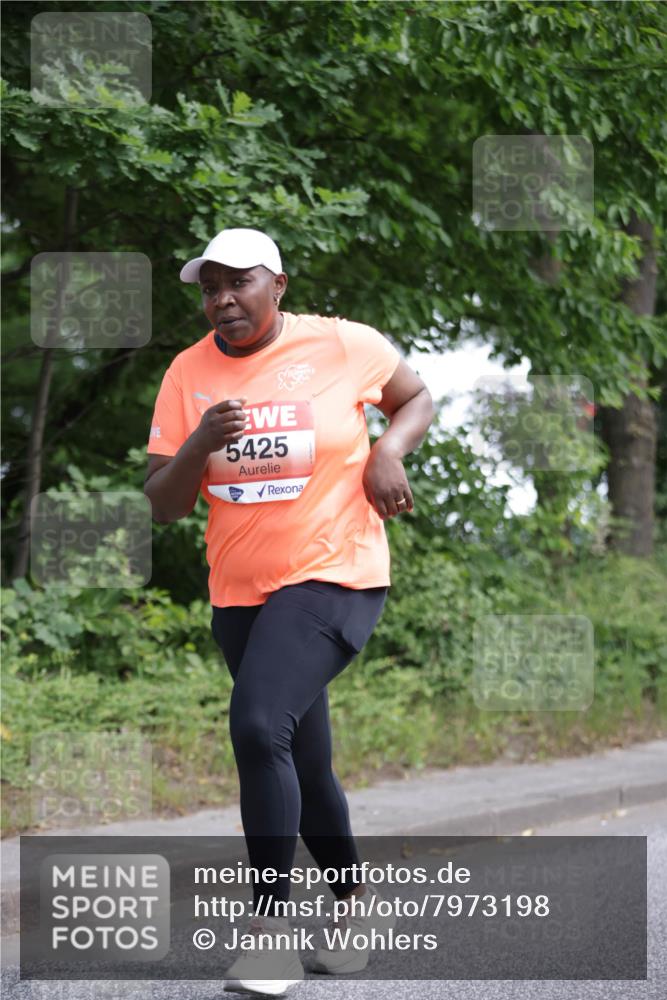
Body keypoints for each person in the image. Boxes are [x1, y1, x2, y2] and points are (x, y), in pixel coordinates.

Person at [144, 228, 434, 996]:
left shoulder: (343, 344)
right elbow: (164, 504)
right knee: (300, 757)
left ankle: (269, 932)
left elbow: (415, 396)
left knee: (254, 723)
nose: (221, 300)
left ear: (276, 282)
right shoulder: (187, 372)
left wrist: (388, 451)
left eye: (236, 283)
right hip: (240, 592)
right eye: (208, 289)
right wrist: (199, 442)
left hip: (335, 575)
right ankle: (354, 904)